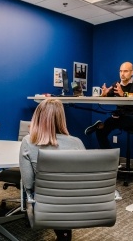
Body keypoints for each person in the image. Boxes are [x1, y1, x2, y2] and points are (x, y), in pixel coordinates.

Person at [19, 99, 85, 241]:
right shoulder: (77, 142)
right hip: (77, 203)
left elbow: (28, 184)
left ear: (38, 117)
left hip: (46, 205)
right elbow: (84, 178)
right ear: (62, 118)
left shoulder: (28, 141)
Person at [84, 62, 133, 149]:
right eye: (120, 71)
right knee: (100, 132)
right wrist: (104, 94)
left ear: (132, 72)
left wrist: (124, 94)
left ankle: (102, 124)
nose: (122, 74)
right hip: (119, 117)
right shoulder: (116, 85)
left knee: (114, 120)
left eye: (125, 71)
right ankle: (110, 159)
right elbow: (108, 93)